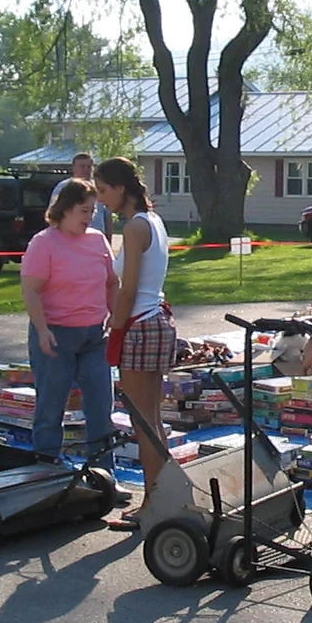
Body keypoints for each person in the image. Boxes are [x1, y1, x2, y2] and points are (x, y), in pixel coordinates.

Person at [94, 157, 176, 521]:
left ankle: (153, 504)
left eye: (103, 190)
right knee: (152, 421)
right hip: (155, 320)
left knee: (143, 423)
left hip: (140, 325)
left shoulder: (134, 227)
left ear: (120, 188)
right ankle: (164, 497)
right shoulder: (153, 220)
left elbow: (127, 289)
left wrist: (116, 326)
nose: (100, 199)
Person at [20, 178, 120, 466]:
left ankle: (103, 474)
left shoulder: (98, 240)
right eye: (84, 211)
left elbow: (112, 281)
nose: (89, 218)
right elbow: (31, 290)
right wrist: (42, 330)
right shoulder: (44, 242)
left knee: (101, 408)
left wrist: (115, 313)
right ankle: (46, 471)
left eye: (93, 211)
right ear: (65, 209)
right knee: (51, 409)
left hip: (95, 336)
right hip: (55, 336)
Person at [49, 153, 111, 235]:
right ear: (73, 168)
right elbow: (54, 213)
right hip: (70, 236)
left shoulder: (100, 187)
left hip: (96, 236)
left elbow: (107, 215)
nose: (86, 169)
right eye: (82, 166)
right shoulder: (63, 187)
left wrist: (108, 237)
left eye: (89, 167)